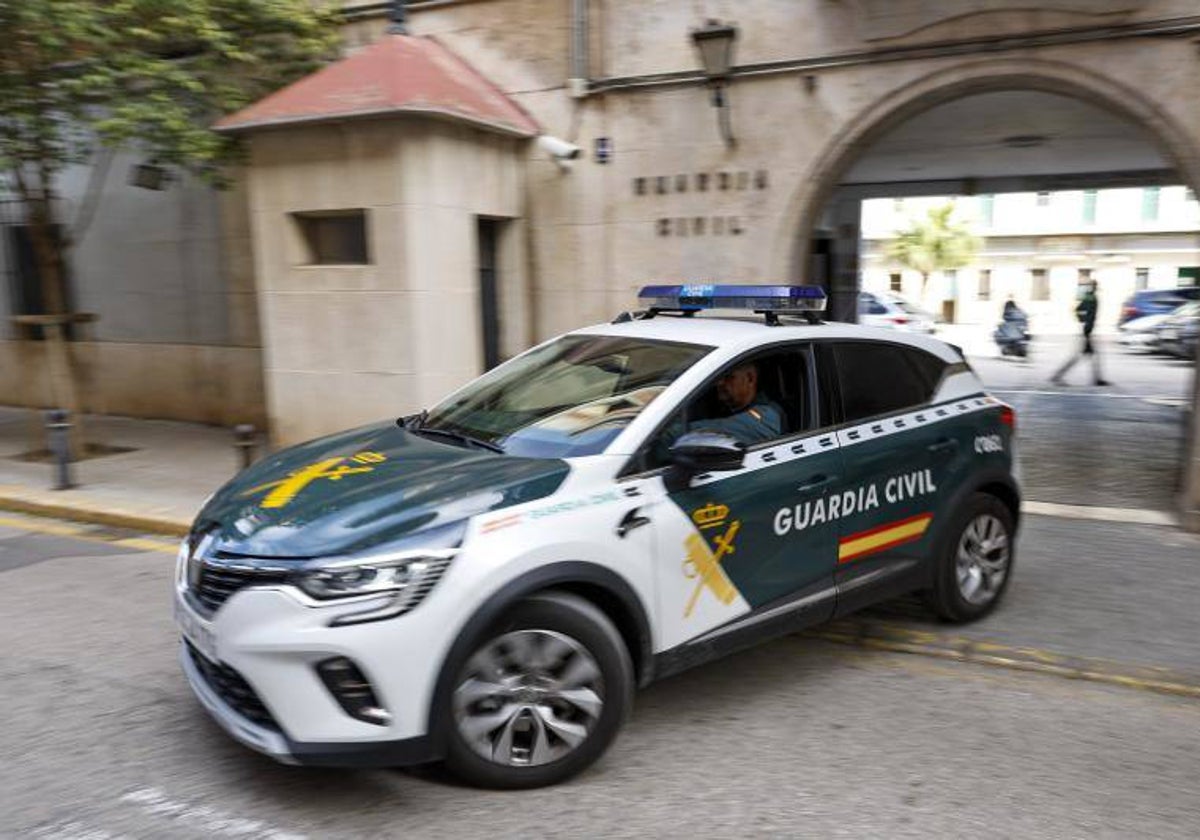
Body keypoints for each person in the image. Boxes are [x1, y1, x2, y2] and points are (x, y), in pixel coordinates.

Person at [686, 362, 783, 444]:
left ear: (750, 378)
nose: (719, 383)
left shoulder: (767, 414)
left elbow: (721, 428)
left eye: (728, 377)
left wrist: (678, 431)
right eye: (718, 378)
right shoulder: (717, 406)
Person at [1051, 280, 1110, 386]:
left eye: (1095, 286)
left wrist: (1083, 320)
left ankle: (1058, 376)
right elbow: (1077, 309)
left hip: (1088, 328)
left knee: (1087, 356)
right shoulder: (1090, 297)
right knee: (1085, 356)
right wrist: (1083, 320)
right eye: (1094, 285)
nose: (1095, 287)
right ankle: (1057, 376)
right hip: (1087, 329)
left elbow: (1079, 310)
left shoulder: (1090, 296)